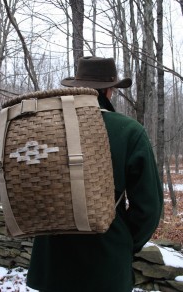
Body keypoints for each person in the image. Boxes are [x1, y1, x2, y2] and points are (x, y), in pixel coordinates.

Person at [27, 56, 163, 292]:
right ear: (109, 90)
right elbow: (149, 208)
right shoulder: (130, 131)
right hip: (106, 263)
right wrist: (125, 244)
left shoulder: (45, 126)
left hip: (51, 264)